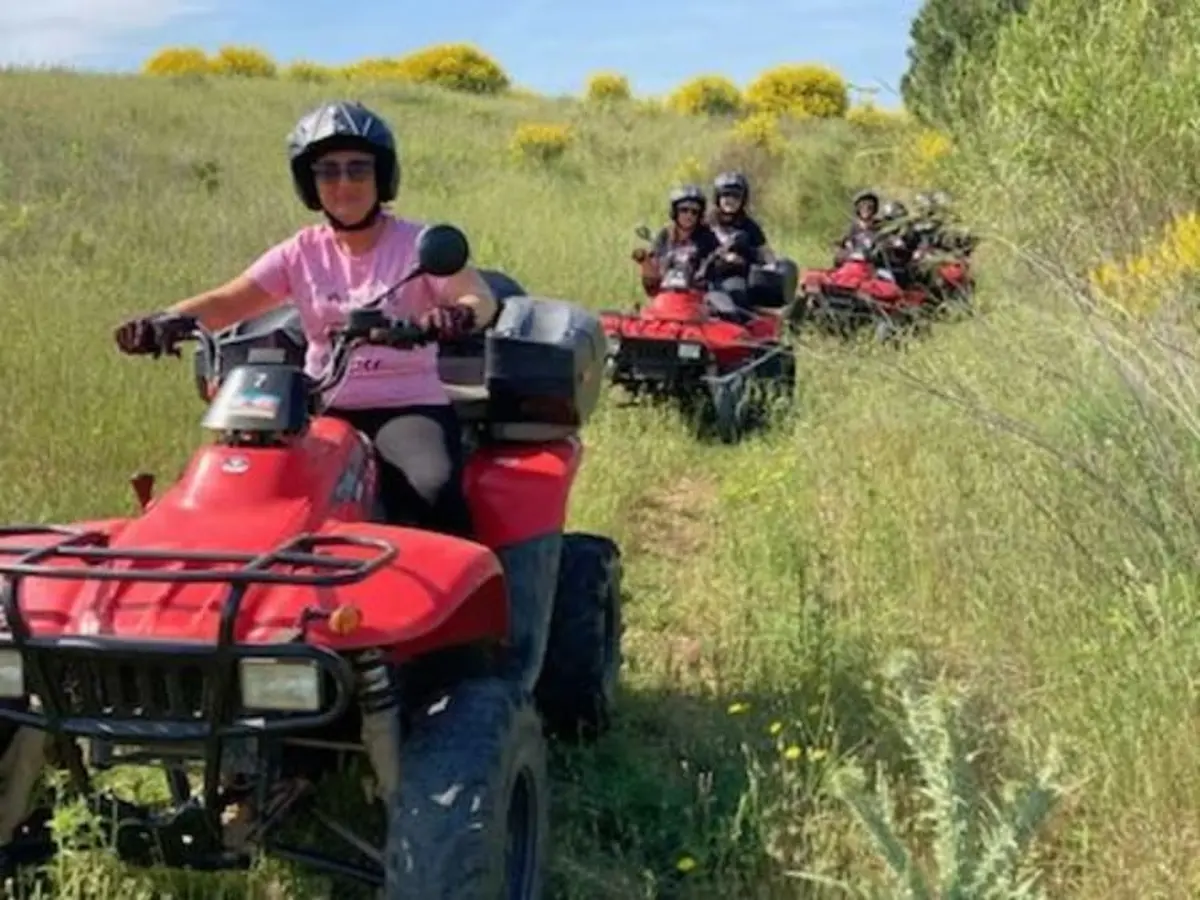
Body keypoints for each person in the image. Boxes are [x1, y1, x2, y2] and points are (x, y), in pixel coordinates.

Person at [112, 100, 498, 540]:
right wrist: (166, 321)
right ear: (310, 183)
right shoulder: (301, 251)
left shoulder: (417, 244)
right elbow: (228, 302)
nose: (343, 183)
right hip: (316, 406)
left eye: (358, 169)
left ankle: (469, 594)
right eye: (328, 171)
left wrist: (456, 314)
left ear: (382, 176)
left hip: (404, 403)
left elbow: (478, 296)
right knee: (246, 490)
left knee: (432, 489)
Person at [633, 184, 720, 296]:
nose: (689, 215)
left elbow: (717, 265)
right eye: (684, 210)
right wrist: (645, 263)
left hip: (698, 301)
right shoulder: (664, 236)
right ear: (674, 212)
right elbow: (652, 284)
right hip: (665, 299)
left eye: (694, 212)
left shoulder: (708, 237)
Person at [834, 189, 882, 262]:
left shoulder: (881, 226)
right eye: (862, 206)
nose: (866, 208)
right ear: (857, 209)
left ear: (875, 208)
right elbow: (839, 248)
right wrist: (847, 254)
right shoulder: (852, 229)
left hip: (876, 266)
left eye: (870, 206)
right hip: (857, 266)